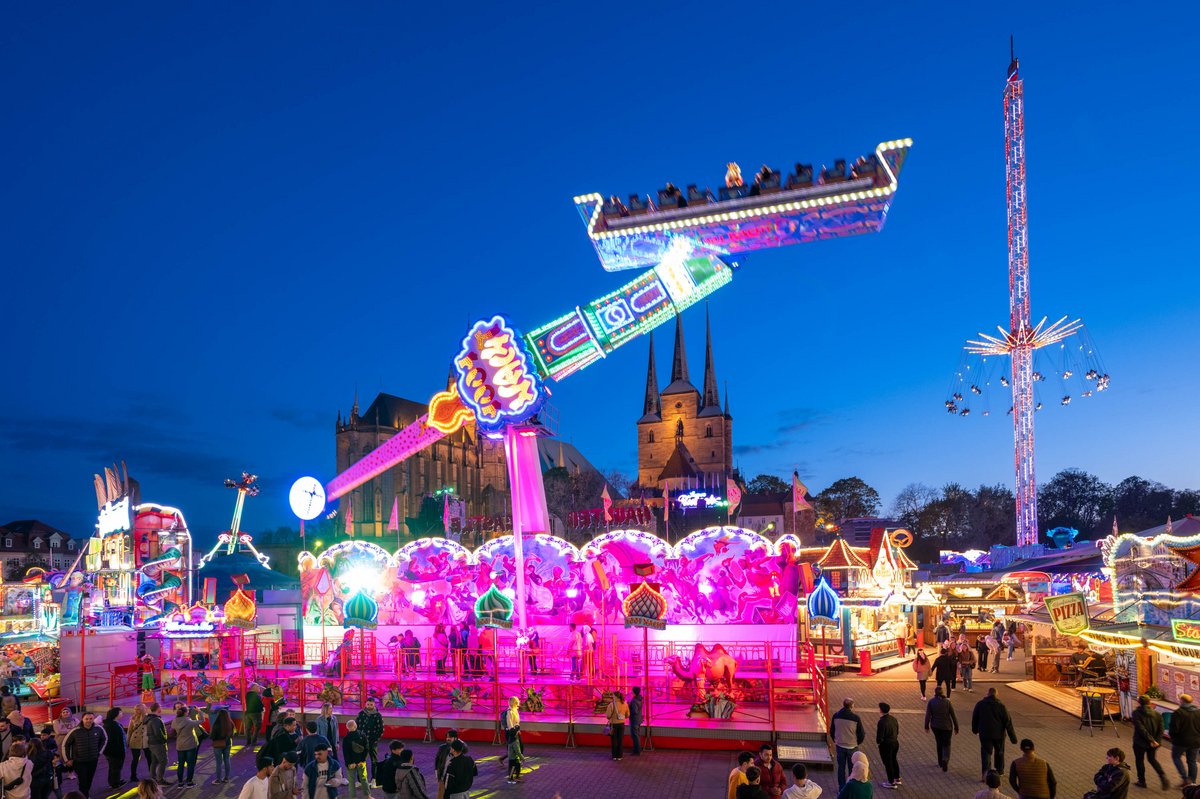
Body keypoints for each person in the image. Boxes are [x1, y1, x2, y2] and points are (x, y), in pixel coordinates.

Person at [973, 688, 1018, 781]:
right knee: (999, 752)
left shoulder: (980, 704)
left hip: (985, 734)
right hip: (999, 735)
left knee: (986, 752)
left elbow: (975, 718)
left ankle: (985, 773)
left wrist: (975, 730)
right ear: (996, 694)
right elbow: (1008, 722)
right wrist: (1013, 738)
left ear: (987, 693)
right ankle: (999, 771)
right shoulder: (1001, 706)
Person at [63, 712, 106, 797]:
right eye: (86, 719)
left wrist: (99, 752)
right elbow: (65, 744)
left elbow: (104, 739)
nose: (89, 721)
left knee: (89, 779)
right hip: (79, 761)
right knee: (83, 780)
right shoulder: (75, 730)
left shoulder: (99, 729)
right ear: (82, 719)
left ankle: (84, 794)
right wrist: (67, 759)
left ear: (93, 719)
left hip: (93, 760)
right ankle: (84, 796)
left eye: (91, 719)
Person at [1131, 694, 1169, 789]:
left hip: (1140, 742)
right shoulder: (1157, 714)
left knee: (1139, 761)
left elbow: (1141, 729)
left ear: (1139, 702)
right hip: (1154, 743)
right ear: (1149, 702)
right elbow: (1161, 729)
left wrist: (1151, 740)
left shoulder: (1136, 713)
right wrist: (1156, 741)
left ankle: (1142, 781)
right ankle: (1162, 776)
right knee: (1152, 759)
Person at [831, 699, 865, 790]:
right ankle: (850, 787)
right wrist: (857, 742)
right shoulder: (856, 718)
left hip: (840, 745)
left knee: (841, 768)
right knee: (852, 768)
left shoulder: (836, 716)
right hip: (852, 746)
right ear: (852, 706)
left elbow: (832, 730)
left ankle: (841, 788)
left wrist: (836, 740)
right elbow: (861, 733)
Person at [924, 686, 958, 772]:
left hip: (935, 726)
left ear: (935, 693)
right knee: (947, 744)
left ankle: (940, 762)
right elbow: (953, 715)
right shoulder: (947, 702)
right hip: (947, 726)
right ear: (942, 692)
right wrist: (956, 727)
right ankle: (945, 759)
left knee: (939, 743)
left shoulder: (931, 702)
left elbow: (928, 715)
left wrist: (926, 726)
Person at [1171, 693, 1200, 787]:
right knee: (1192, 761)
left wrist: (1173, 738)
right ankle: (1193, 782)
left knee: (1176, 757)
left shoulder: (1178, 713)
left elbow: (1174, 729)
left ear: (1182, 701)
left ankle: (1185, 778)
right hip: (1196, 742)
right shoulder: (1198, 712)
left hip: (1181, 742)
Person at [171, 706, 203, 788]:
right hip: (190, 745)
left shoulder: (174, 721)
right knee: (190, 764)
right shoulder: (189, 721)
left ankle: (180, 783)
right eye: (187, 711)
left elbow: (173, 729)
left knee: (181, 764)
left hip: (180, 745)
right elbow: (202, 721)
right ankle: (189, 782)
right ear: (185, 713)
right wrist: (199, 711)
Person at [354, 700, 383, 786]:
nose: (369, 706)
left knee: (374, 760)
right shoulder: (361, 714)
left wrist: (375, 739)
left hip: (372, 742)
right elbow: (356, 726)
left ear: (374, 705)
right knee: (361, 760)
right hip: (362, 741)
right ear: (365, 704)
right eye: (368, 704)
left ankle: (374, 779)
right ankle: (360, 780)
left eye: (371, 704)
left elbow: (380, 729)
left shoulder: (378, 715)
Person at [339, 720, 368, 799]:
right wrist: (363, 760)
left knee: (351, 781)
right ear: (356, 726)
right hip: (361, 762)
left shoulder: (346, 739)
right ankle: (368, 795)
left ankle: (353, 797)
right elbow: (366, 749)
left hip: (351, 764)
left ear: (347, 728)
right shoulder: (362, 735)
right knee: (364, 779)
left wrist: (350, 763)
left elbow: (346, 753)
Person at [101, 708, 126, 791]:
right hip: (114, 751)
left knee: (114, 767)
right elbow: (113, 741)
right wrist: (120, 751)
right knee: (115, 767)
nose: (122, 714)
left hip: (114, 750)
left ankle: (115, 781)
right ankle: (115, 783)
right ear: (116, 714)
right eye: (120, 712)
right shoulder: (111, 726)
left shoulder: (114, 724)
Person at [877, 702, 900, 788]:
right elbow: (897, 731)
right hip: (895, 742)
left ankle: (891, 782)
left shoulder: (882, 722)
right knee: (894, 760)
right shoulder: (893, 719)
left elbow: (879, 736)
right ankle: (897, 778)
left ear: (881, 710)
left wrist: (879, 742)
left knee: (888, 763)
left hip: (886, 745)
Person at [144, 703, 168, 785]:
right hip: (158, 743)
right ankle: (160, 779)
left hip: (152, 743)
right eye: (160, 707)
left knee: (154, 761)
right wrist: (164, 739)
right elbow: (157, 732)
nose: (161, 708)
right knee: (163, 761)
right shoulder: (156, 720)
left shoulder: (150, 719)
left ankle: (153, 778)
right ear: (158, 708)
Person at [210, 707, 235, 785]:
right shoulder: (231, 723)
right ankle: (226, 778)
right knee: (227, 760)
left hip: (218, 744)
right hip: (227, 743)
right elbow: (232, 734)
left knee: (219, 762)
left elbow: (212, 736)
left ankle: (218, 779)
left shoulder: (216, 724)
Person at [52, 709, 76, 781]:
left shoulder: (75, 720)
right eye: (63, 712)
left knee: (70, 756)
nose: (65, 713)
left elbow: (77, 728)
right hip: (60, 741)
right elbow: (58, 731)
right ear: (61, 713)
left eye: (67, 712)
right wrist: (71, 730)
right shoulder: (57, 721)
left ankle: (71, 772)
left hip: (71, 741)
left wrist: (67, 731)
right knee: (59, 756)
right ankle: (58, 774)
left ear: (70, 713)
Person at [126, 704, 148, 783]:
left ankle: (152, 775)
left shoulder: (147, 718)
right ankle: (133, 776)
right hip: (135, 740)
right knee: (135, 759)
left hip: (145, 740)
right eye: (135, 709)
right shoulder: (133, 718)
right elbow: (130, 731)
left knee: (149, 758)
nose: (136, 711)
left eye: (138, 709)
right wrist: (127, 741)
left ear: (142, 710)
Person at [605, 691, 629, 761]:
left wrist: (613, 717)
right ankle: (620, 756)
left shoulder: (611, 705)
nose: (612, 697)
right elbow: (627, 715)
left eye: (613, 696)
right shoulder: (625, 704)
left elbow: (608, 715)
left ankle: (614, 756)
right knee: (620, 740)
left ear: (615, 696)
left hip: (613, 725)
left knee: (614, 740)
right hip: (622, 724)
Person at [245, 685, 266, 749]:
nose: (259, 689)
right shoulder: (257, 696)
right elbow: (260, 704)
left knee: (248, 728)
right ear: (254, 688)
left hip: (248, 713)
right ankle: (254, 741)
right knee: (257, 728)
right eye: (258, 688)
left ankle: (248, 741)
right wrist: (262, 708)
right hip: (256, 713)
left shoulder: (247, 695)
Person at [628, 686, 644, 756]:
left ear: (634, 692)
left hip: (634, 720)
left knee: (635, 735)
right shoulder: (640, 699)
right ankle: (637, 749)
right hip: (638, 719)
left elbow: (634, 711)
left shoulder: (634, 701)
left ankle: (637, 751)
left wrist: (629, 708)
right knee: (637, 735)